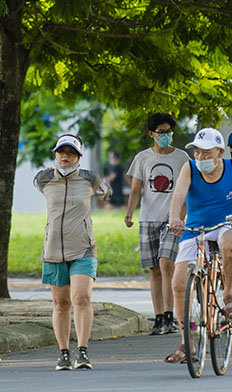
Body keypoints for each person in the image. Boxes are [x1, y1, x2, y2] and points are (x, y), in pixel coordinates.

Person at [164, 128, 232, 364]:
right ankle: (186, 342)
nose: (200, 157)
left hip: (226, 223)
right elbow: (178, 197)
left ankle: (230, 293)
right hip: (195, 226)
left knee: (231, 243)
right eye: (197, 152)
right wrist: (175, 218)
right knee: (179, 283)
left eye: (206, 152)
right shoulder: (189, 168)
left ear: (219, 152)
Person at [34, 133, 110, 370]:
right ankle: (64, 352)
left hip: (84, 248)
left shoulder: (90, 179)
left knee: (81, 298)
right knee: (60, 303)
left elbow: (105, 192)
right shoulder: (44, 179)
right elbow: (39, 184)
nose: (65, 157)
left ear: (79, 157)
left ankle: (83, 350)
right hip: (54, 249)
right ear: (55, 154)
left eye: (71, 153)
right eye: (61, 152)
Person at [123, 113, 191, 336]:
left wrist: (180, 217)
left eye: (169, 132)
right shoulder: (142, 158)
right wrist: (129, 213)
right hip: (148, 218)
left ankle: (170, 315)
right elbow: (136, 189)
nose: (166, 136)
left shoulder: (182, 158)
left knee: (166, 262)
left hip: (173, 219)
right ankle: (159, 316)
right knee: (154, 268)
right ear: (152, 134)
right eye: (161, 132)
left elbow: (188, 190)